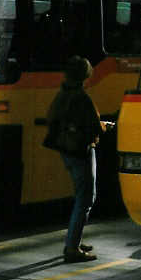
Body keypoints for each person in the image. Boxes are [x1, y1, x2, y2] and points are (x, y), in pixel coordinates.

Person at [46, 56, 109, 263]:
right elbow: (93, 126)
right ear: (86, 75)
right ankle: (72, 248)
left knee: (80, 196)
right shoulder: (82, 97)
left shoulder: (62, 94)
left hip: (66, 150)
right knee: (86, 198)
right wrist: (106, 126)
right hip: (81, 150)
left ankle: (75, 239)